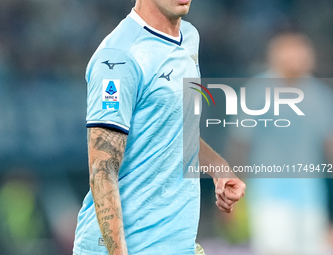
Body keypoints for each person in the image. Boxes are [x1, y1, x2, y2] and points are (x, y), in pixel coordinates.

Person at [73, 1, 246, 255]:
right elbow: (102, 170)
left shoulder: (189, 37)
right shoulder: (119, 57)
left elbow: (175, 128)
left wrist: (219, 168)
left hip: (176, 245)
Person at [227, 32, 333, 255]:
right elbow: (240, 145)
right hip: (268, 194)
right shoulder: (257, 92)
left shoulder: (320, 95)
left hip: (310, 194)